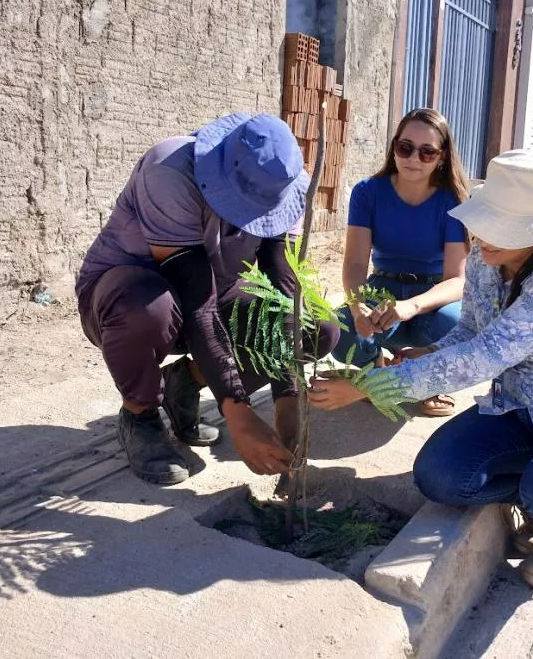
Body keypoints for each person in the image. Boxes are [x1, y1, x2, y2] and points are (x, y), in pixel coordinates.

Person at [310, 147, 533, 591]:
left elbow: (484, 356)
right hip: (516, 408)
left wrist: (370, 386)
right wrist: (425, 353)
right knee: (441, 476)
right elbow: (468, 333)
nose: (482, 236)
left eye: (498, 227)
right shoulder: (493, 260)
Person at [76, 113, 338, 485]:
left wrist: (288, 410)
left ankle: (186, 382)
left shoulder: (288, 188)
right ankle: (140, 414)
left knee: (318, 329)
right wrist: (238, 411)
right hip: (131, 293)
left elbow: (283, 292)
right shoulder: (168, 169)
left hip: (218, 289)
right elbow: (197, 299)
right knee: (149, 311)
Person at [332, 108, 470, 416]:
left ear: (442, 156)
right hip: (381, 290)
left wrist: (412, 306)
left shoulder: (453, 201)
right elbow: (355, 264)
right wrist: (358, 308)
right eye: (405, 147)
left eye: (427, 152)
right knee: (338, 329)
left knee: (456, 323)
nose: (414, 158)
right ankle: (377, 373)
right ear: (394, 146)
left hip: (432, 299)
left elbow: (456, 279)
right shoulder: (368, 192)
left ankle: (427, 379)